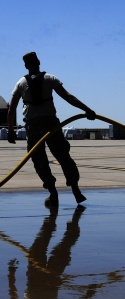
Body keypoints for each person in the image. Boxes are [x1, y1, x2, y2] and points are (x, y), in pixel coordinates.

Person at [7, 52, 96, 207]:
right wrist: (88, 110)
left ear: (26, 66)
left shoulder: (21, 83)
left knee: (39, 161)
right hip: (51, 125)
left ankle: (53, 194)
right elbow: (69, 97)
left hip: (34, 127)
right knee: (63, 156)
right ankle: (76, 190)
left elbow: (11, 108)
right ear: (39, 62)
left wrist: (10, 130)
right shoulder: (50, 78)